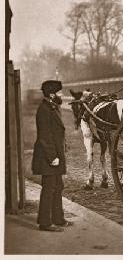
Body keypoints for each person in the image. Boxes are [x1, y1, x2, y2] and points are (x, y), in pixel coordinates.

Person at [32, 80, 73, 231]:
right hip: (48, 157)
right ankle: (45, 223)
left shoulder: (52, 107)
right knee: (49, 188)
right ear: (51, 94)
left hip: (54, 155)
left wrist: (63, 146)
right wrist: (52, 157)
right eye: (59, 92)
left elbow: (57, 131)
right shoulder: (44, 110)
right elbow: (45, 136)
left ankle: (58, 219)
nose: (61, 94)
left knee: (58, 186)